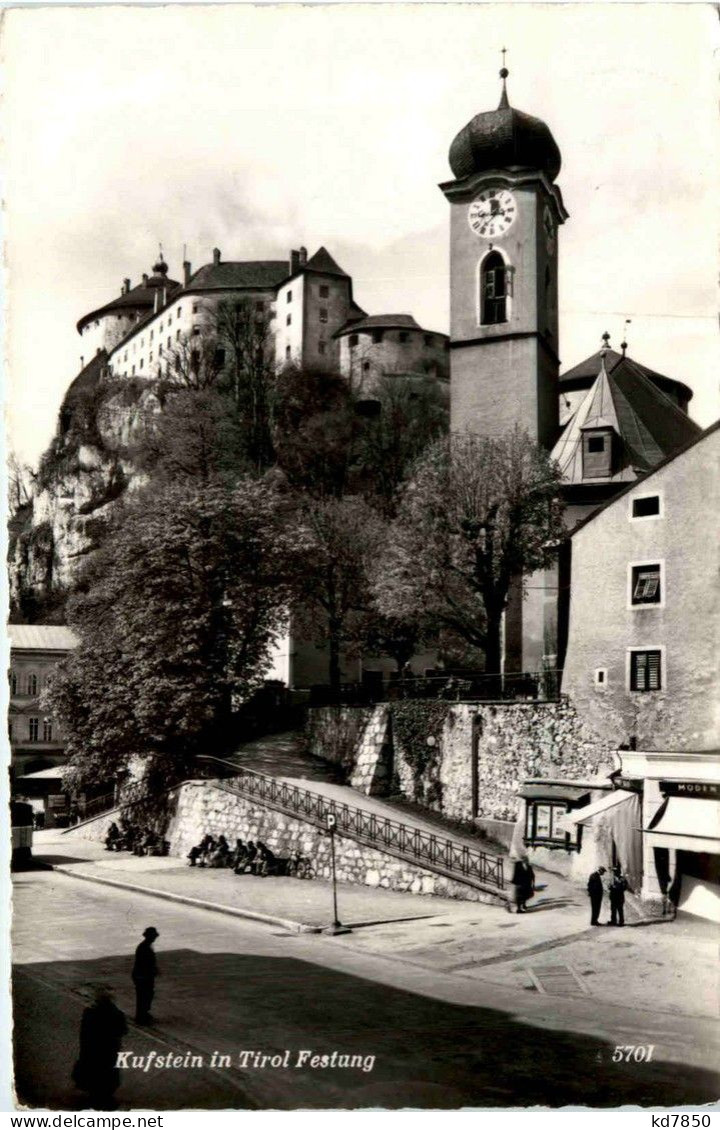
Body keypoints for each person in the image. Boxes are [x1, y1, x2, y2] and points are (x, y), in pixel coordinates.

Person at [72, 986, 127, 1110]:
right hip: (110, 1050)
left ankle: (93, 1094)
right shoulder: (117, 1014)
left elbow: (84, 1032)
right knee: (108, 1072)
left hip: (92, 1048)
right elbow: (123, 1030)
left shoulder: (90, 1012)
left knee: (93, 1070)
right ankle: (105, 1097)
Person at [132, 926, 159, 1024]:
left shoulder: (147, 946)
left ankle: (144, 1014)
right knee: (144, 996)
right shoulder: (144, 947)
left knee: (147, 995)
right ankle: (141, 1017)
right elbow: (144, 963)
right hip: (143, 976)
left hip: (144, 975)